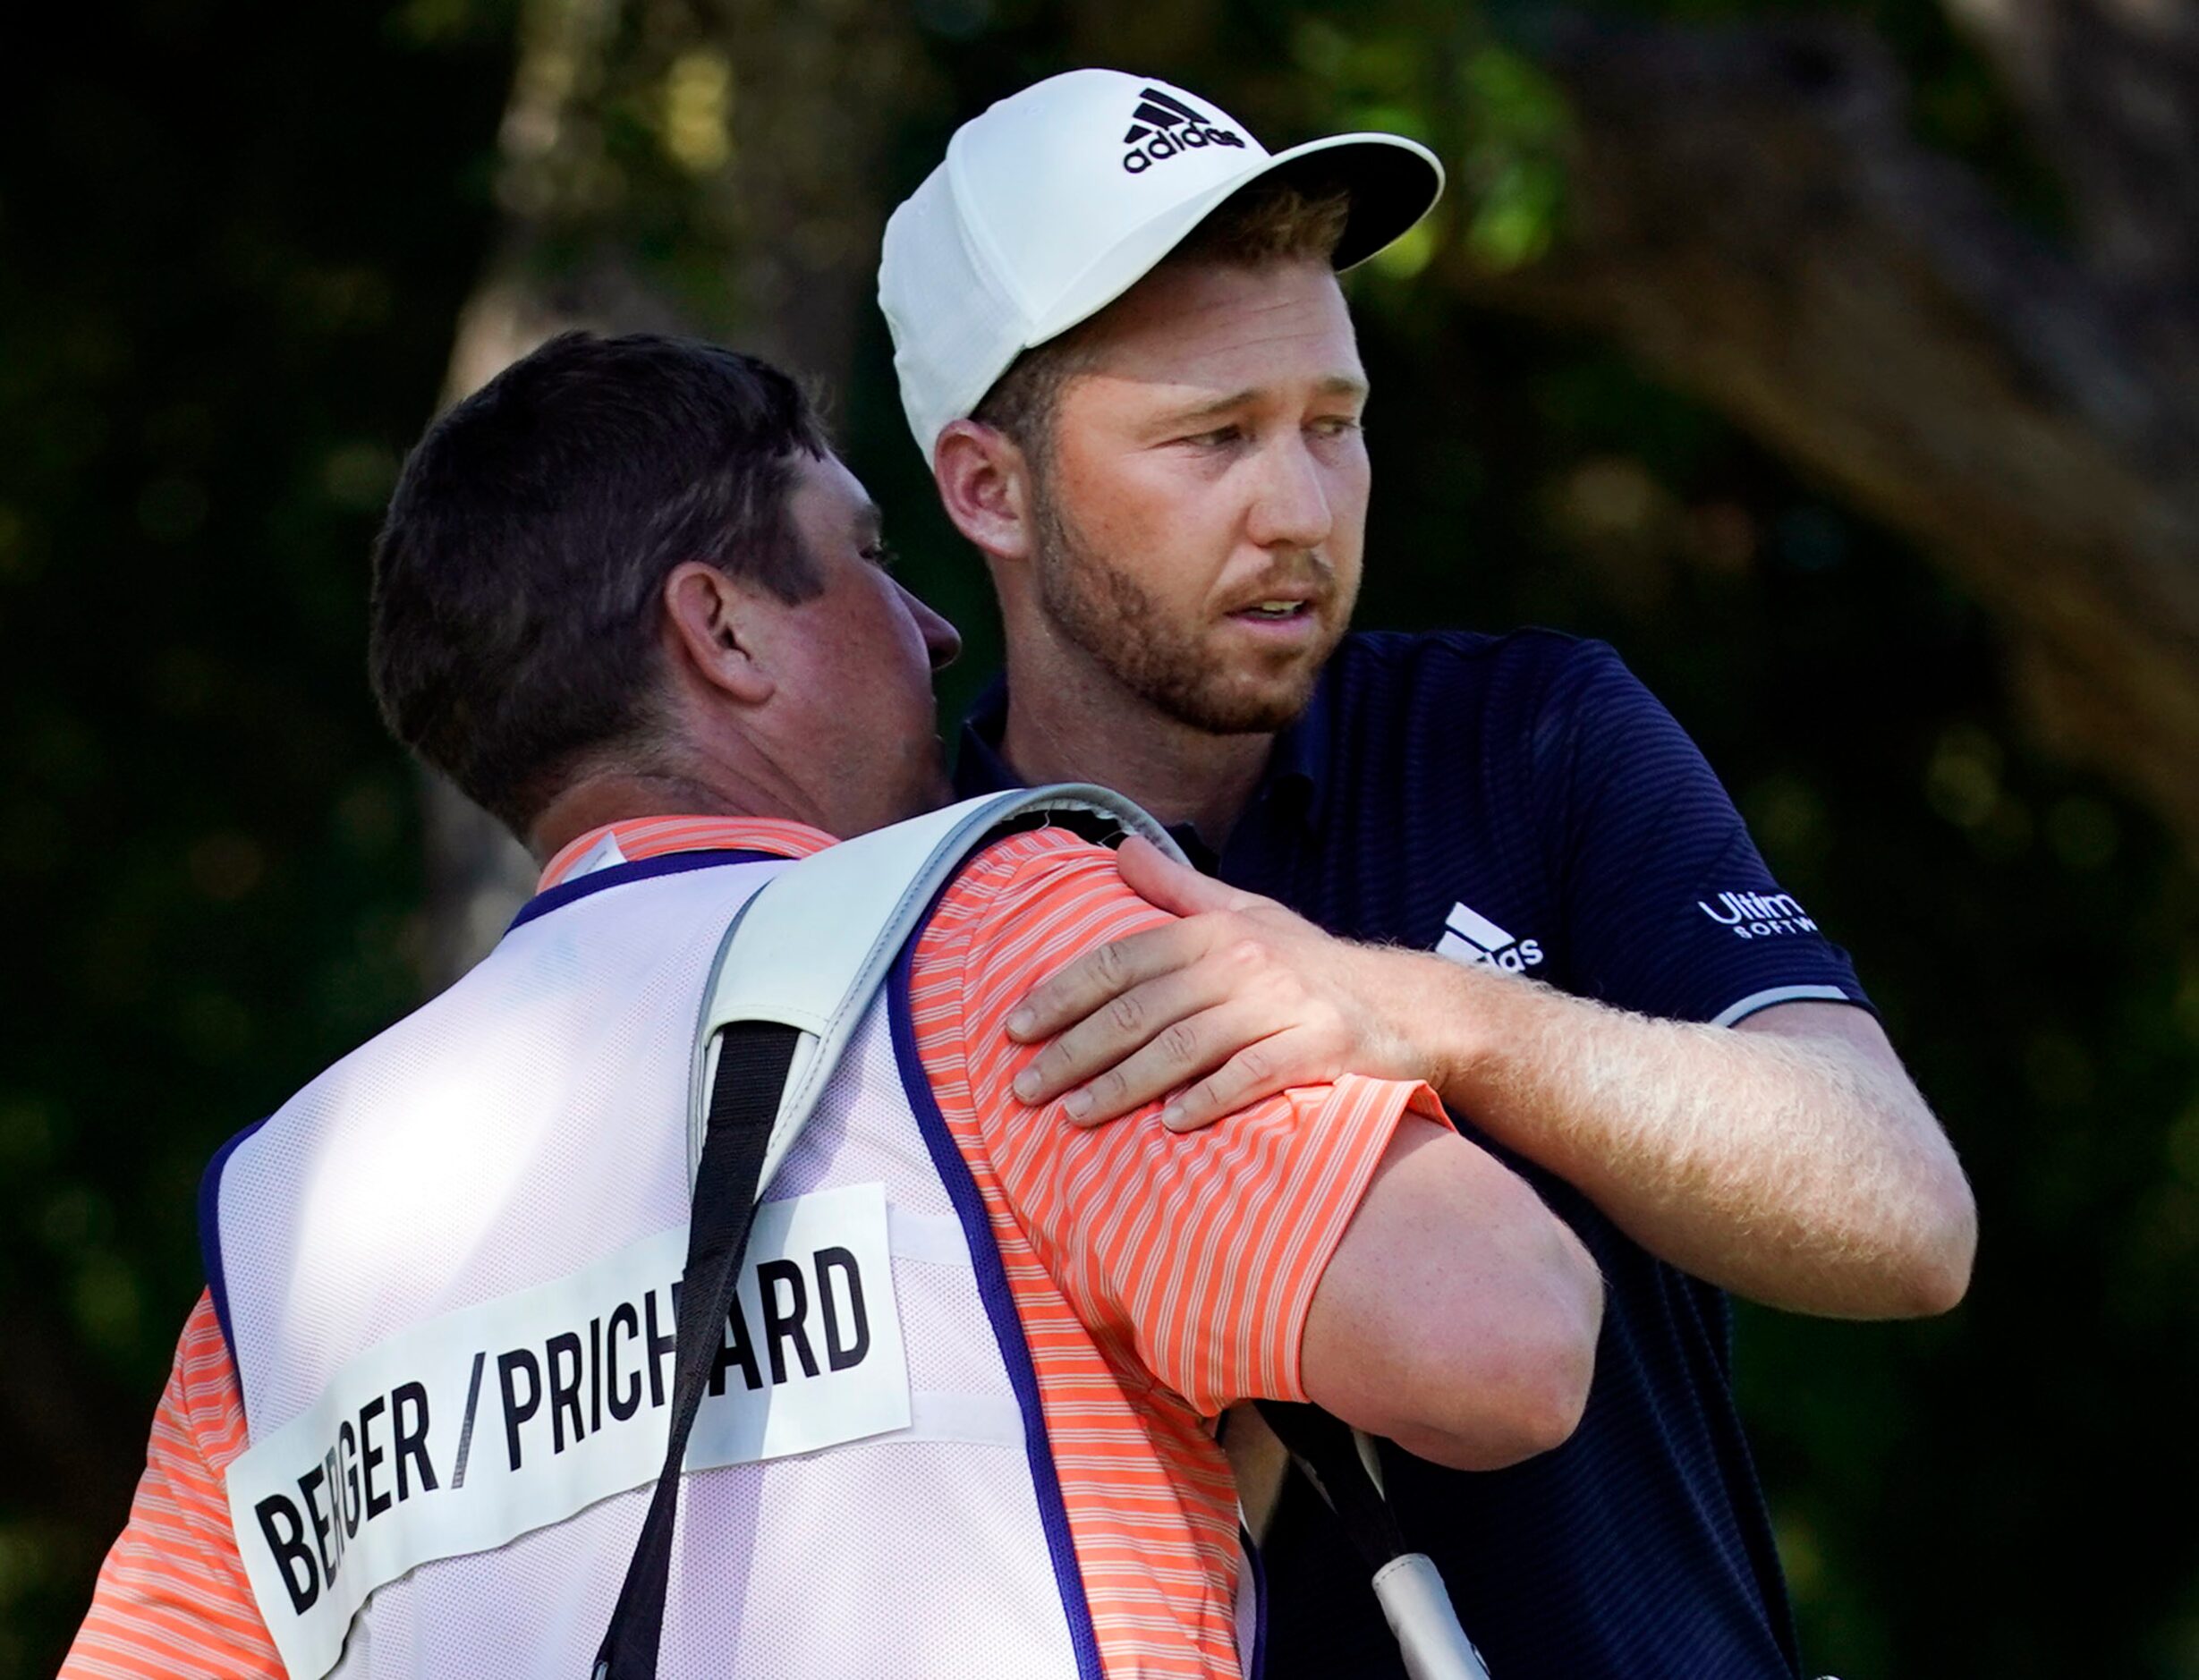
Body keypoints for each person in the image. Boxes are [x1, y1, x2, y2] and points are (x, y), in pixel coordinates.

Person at [60, 330, 1601, 1679]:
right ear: (721, 629)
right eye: (863, 553)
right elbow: (1498, 1335)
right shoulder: (974, 930)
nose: (933, 626)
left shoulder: (279, 1232)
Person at [878, 67, 1979, 1678]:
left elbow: (1901, 1215)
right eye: (1212, 438)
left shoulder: (1527, 730)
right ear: (988, 486)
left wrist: (1429, 1015)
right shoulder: (901, 910)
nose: (1301, 509)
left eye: (1334, 424)